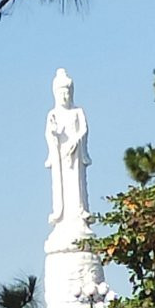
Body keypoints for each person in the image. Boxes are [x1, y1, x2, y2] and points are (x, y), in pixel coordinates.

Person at [45, 68, 92, 232]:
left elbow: (84, 129)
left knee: (77, 187)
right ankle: (61, 216)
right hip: (61, 158)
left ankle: (80, 216)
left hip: (76, 156)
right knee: (61, 187)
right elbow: (50, 134)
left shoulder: (77, 112)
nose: (64, 97)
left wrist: (76, 141)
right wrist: (52, 132)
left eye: (67, 93)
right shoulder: (53, 114)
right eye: (61, 93)